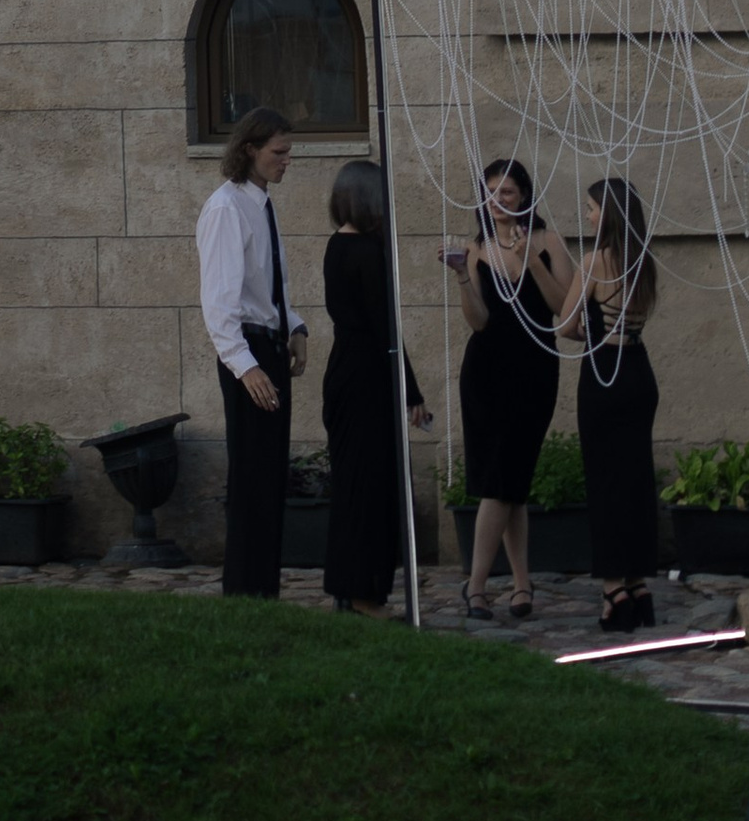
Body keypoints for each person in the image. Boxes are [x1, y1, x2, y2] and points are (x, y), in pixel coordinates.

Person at [449, 157, 571, 620]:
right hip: (485, 373)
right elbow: (479, 322)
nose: (498, 201)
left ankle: (477, 585)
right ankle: (509, 585)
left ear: (524, 196)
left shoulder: (548, 241)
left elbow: (563, 308)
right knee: (503, 484)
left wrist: (528, 261)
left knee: (510, 480)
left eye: (508, 192)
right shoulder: (475, 248)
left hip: (535, 371)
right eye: (491, 192)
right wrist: (462, 275)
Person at [196, 107, 306, 597]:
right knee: (251, 475)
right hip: (248, 351)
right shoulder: (225, 208)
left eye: (288, 152)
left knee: (269, 475)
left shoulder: (260, 203)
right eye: (277, 153)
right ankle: (244, 588)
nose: (286, 161)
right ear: (250, 151)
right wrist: (245, 367)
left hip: (269, 344)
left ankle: (264, 586)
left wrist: (296, 325)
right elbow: (220, 302)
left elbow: (266, 282)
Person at [320, 159, 431, 614]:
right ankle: (365, 593)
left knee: (353, 483)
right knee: (371, 484)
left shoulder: (336, 246)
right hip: (368, 376)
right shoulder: (368, 252)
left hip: (345, 371)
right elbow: (386, 330)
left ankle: (350, 586)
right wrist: (413, 392)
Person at [562, 175, 661, 633]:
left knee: (604, 481)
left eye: (590, 207)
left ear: (608, 213)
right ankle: (639, 583)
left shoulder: (595, 261)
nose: (586, 215)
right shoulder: (644, 262)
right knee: (636, 478)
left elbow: (565, 324)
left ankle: (612, 591)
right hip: (639, 372)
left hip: (604, 373)